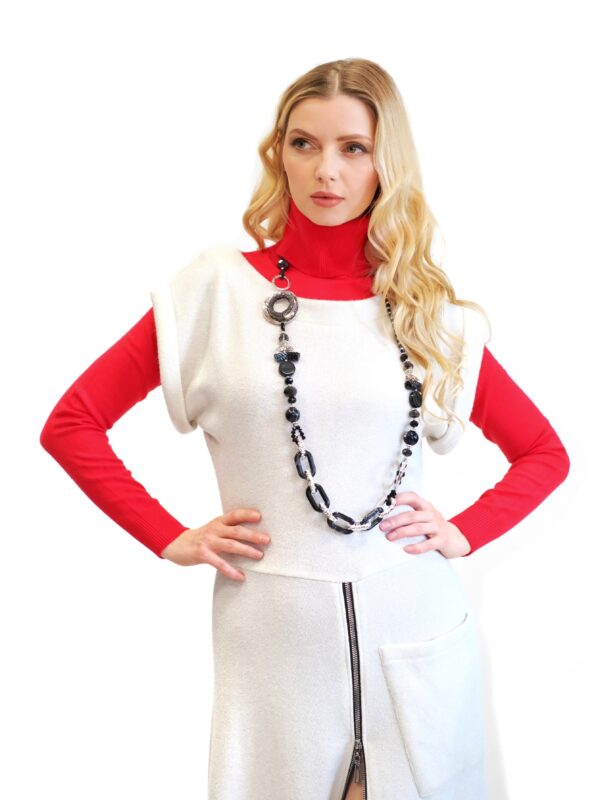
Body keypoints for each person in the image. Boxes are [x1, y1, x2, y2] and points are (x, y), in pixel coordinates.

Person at [40, 58, 570, 800]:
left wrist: (465, 532)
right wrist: (168, 536)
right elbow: (72, 424)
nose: (326, 170)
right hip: (274, 643)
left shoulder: (427, 314)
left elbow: (545, 452)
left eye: (353, 148)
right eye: (304, 143)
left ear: (385, 163)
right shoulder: (215, 290)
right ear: (279, 153)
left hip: (413, 622)